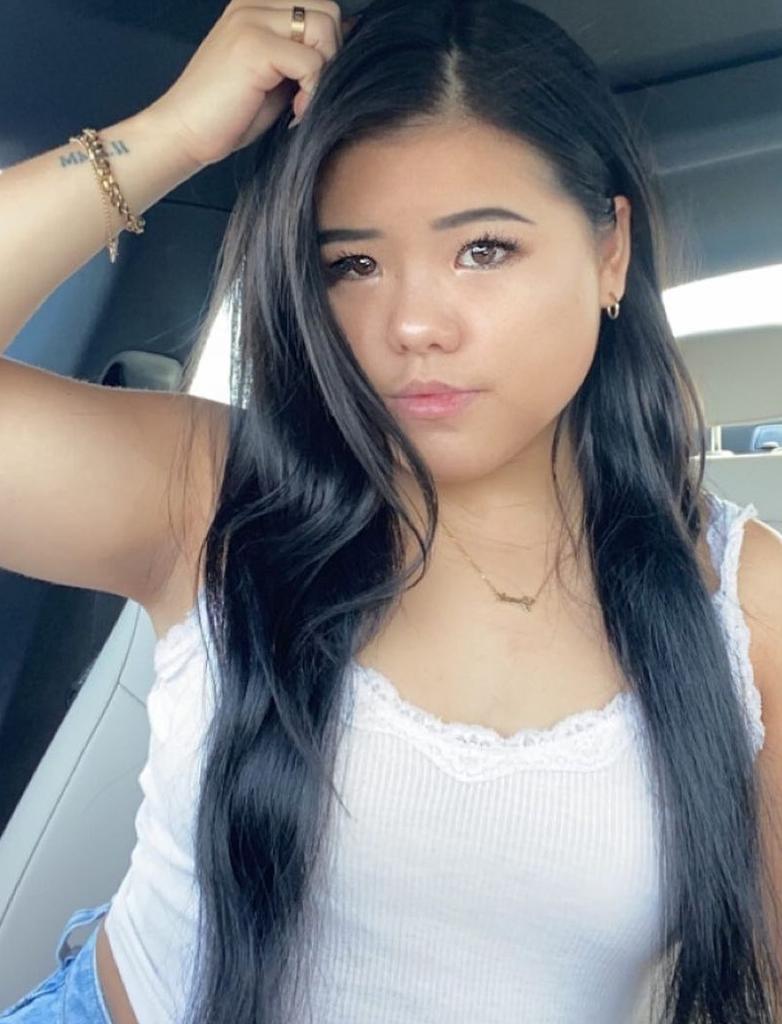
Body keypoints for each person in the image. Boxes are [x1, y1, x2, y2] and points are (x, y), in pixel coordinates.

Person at [1, 1, 782, 1022]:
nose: (412, 324)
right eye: (353, 264)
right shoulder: (218, 494)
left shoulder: (745, 601)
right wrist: (172, 134)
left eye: (484, 249)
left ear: (609, 252)